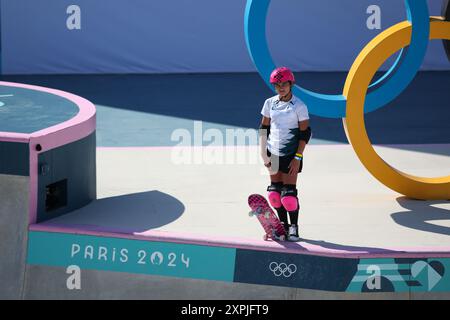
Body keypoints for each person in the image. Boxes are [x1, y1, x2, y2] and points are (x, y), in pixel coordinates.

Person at [259, 67, 312, 241]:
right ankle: (282, 226)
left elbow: (305, 134)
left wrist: (298, 157)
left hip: (291, 155)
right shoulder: (269, 103)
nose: (281, 87)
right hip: (272, 153)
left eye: (284, 84)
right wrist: (263, 153)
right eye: (277, 85)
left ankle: (294, 227)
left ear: (291, 84)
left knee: (288, 197)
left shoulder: (299, 106)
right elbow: (264, 128)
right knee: (274, 196)